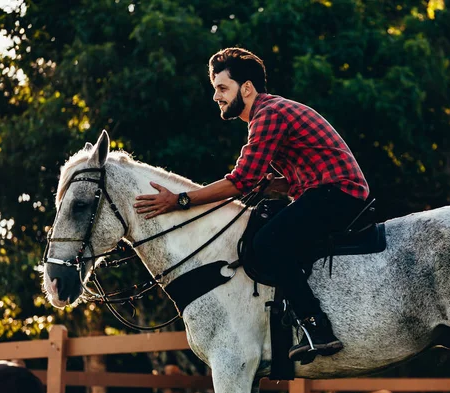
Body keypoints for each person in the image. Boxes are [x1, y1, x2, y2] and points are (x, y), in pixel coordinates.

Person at [134, 47, 369, 362]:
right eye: (215, 88)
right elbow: (283, 179)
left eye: (222, 88)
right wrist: (273, 185)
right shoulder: (270, 112)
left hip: (337, 193)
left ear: (246, 88)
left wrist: (180, 200)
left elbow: (239, 182)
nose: (216, 96)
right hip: (326, 190)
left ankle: (317, 328)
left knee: (267, 242)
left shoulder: (267, 114)